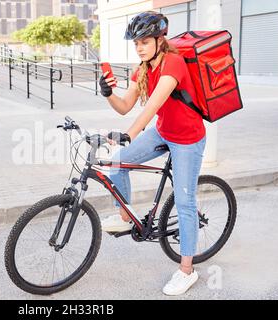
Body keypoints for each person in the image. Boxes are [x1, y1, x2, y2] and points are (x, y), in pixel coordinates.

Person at [98, 11, 206, 296]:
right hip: (163, 132)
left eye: (145, 41)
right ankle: (124, 217)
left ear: (161, 40)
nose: (140, 47)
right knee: (118, 162)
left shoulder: (174, 62)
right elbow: (124, 106)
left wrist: (129, 134)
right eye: (136, 43)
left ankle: (187, 271)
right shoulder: (142, 69)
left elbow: (153, 105)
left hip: (188, 139)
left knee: (184, 202)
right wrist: (108, 93)